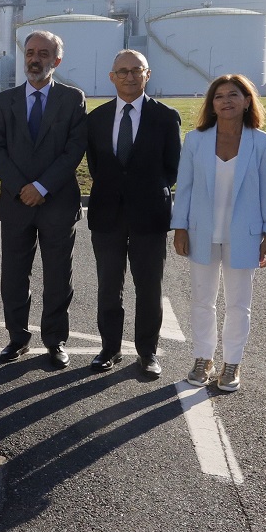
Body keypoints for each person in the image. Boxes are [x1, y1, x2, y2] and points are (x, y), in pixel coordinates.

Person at [172, 74, 266, 393]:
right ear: (212, 104)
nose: (226, 101)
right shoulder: (195, 140)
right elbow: (185, 188)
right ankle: (203, 358)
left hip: (244, 235)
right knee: (202, 301)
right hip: (201, 232)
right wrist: (179, 228)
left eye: (234, 95)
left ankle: (232, 362)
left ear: (247, 101)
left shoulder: (262, 143)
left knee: (238, 303)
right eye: (219, 96)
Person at [0, 30, 87, 367]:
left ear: (56, 61)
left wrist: (42, 187)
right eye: (30, 52)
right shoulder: (3, 101)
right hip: (16, 205)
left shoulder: (73, 99)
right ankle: (17, 338)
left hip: (57, 204)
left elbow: (74, 149)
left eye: (43, 53)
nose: (35, 59)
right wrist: (20, 188)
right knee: (14, 276)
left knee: (58, 276)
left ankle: (55, 341)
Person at [85, 50, 182, 376]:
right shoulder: (96, 119)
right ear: (111, 76)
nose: (129, 76)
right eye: (122, 71)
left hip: (150, 217)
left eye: (135, 70)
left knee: (149, 289)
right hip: (107, 216)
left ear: (147, 74)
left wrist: (145, 191)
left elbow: (172, 168)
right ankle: (109, 349)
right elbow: (98, 168)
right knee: (109, 288)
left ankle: (147, 353)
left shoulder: (166, 117)